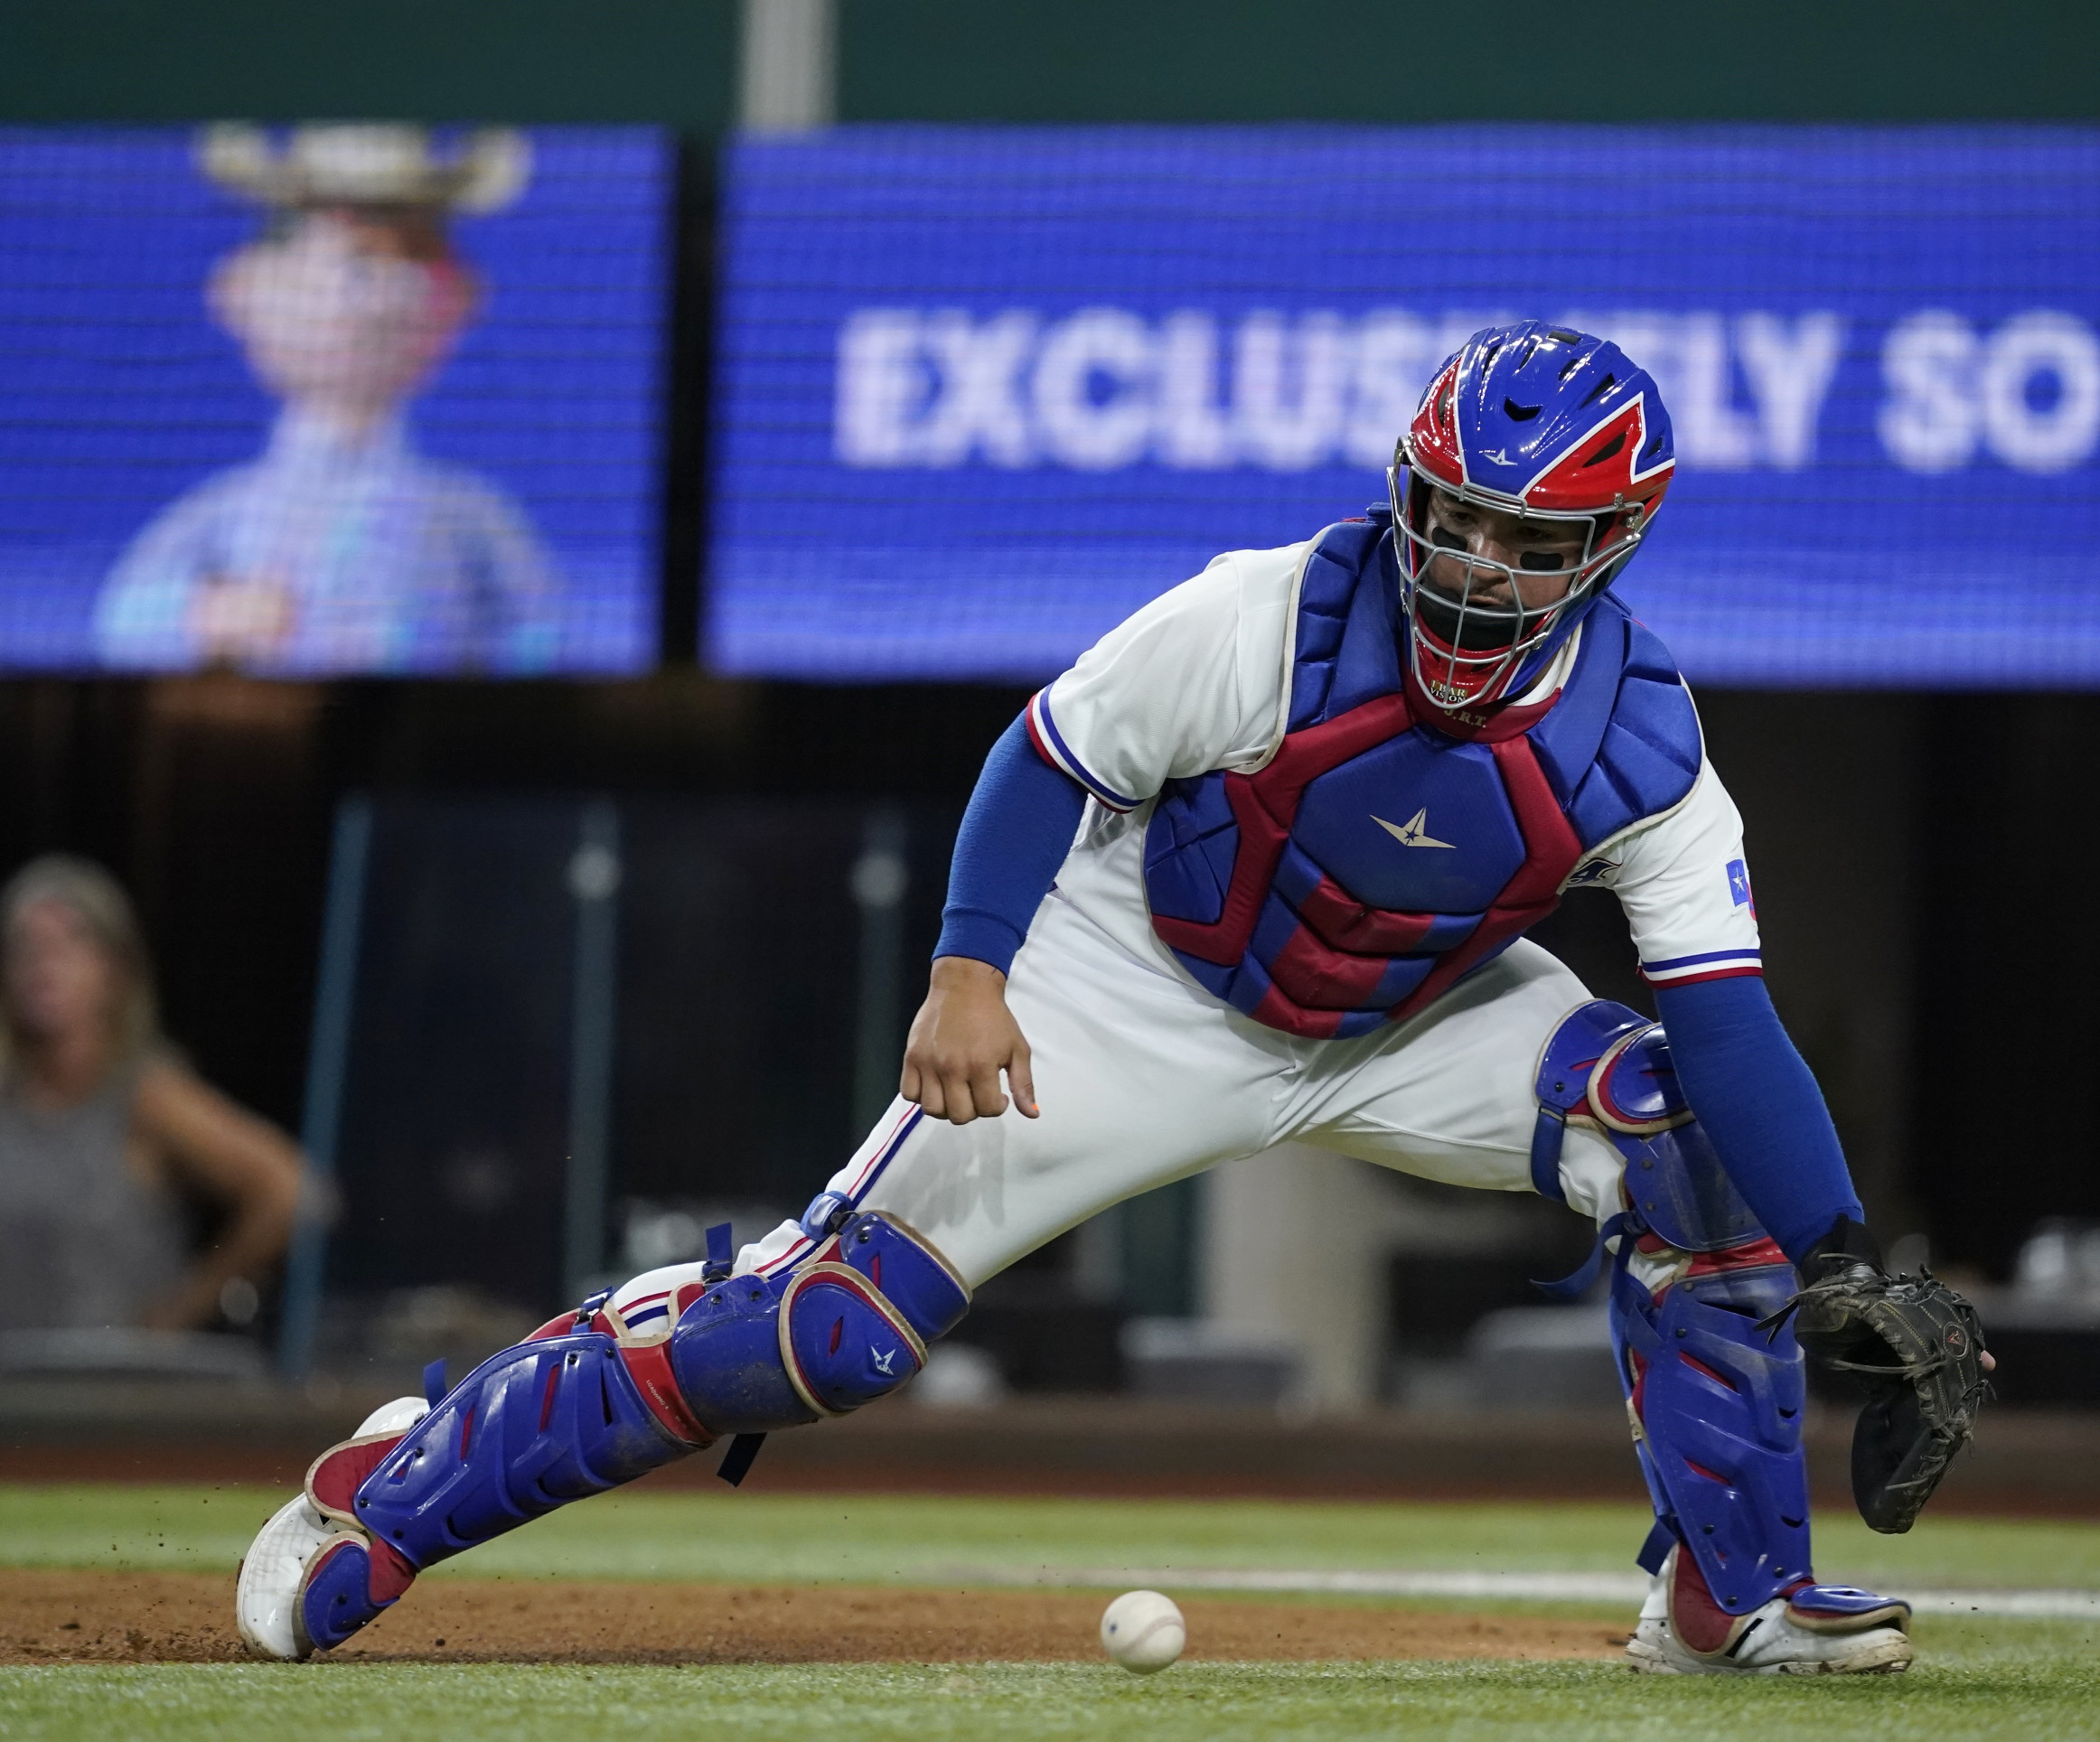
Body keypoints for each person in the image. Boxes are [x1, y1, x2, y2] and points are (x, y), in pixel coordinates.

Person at [238, 322, 1989, 1674]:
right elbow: (1042, 756)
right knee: (816, 1336)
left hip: (1408, 1022)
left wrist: (1838, 1255)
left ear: (1612, 539)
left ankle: (1727, 1596)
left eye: (1516, 535)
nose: (1464, 561)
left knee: (1686, 1145)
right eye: (1446, 514)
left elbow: (1727, 1019)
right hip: (1133, 976)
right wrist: (969, 967)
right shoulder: (1263, 614)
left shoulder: (1648, 751)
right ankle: (388, 1488)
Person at [93, 125, 558, 675]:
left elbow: (533, 624)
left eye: (408, 268)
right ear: (247, 289)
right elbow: (123, 617)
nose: (382, 299)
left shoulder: (464, 515)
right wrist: (198, 616)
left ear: (456, 298)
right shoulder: (232, 510)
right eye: (354, 266)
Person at [0, 856, 306, 1336]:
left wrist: (179, 1313)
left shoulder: (146, 1098)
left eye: (69, 940)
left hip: (115, 1389)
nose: (44, 961)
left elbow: (291, 1191)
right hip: (15, 1386)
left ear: (113, 968)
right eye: (26, 944)